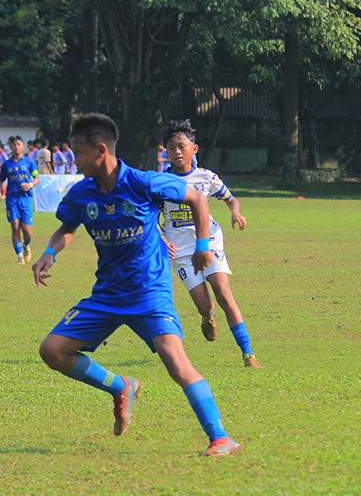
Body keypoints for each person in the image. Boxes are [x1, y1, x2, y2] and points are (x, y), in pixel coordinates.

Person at [31, 113, 241, 457]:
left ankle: (220, 437)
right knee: (52, 350)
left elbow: (198, 199)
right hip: (107, 295)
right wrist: (49, 252)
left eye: (78, 153)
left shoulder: (143, 182)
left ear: (101, 150)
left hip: (149, 293)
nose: (73, 160)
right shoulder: (81, 194)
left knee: (177, 363)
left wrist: (203, 247)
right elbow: (68, 227)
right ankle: (121, 386)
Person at [159, 119, 262, 368]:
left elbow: (230, 199)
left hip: (210, 243)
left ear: (194, 149)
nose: (177, 151)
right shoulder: (159, 183)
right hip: (180, 252)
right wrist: (161, 238)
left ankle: (248, 354)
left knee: (224, 293)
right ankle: (208, 316)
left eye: (182, 146)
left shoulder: (206, 177)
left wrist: (235, 213)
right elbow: (149, 216)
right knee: (205, 305)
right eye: (171, 148)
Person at [0, 135, 40, 264]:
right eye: (14, 144)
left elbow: (37, 178)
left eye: (19, 144)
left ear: (23, 147)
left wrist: (30, 185)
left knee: (27, 230)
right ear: (10, 147)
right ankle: (20, 256)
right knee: (15, 226)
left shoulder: (29, 162)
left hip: (26, 199)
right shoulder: (6, 164)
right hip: (12, 199)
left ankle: (26, 245)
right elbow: (0, 180)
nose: (16, 147)